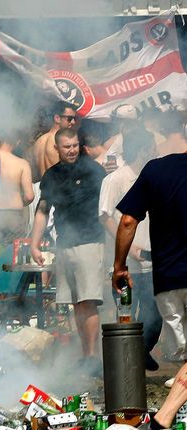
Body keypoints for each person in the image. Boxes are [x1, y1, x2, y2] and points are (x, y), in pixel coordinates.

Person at [31, 128, 106, 373]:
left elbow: (108, 206)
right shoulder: (51, 176)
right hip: (64, 244)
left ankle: (93, 356)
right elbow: (42, 210)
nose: (72, 150)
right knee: (76, 302)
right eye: (67, 146)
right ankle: (85, 354)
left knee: (89, 300)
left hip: (90, 242)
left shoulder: (94, 170)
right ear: (57, 148)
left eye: (75, 145)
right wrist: (34, 244)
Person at [113, 141, 187, 369]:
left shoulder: (156, 169)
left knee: (182, 354)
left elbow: (127, 221)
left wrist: (119, 266)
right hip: (170, 274)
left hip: (169, 278)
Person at [99, 125, 162, 371]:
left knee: (155, 316)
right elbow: (106, 217)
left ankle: (139, 352)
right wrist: (129, 247)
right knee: (126, 314)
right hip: (124, 265)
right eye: (153, 148)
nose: (157, 151)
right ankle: (126, 364)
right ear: (144, 150)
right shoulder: (115, 179)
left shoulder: (154, 177)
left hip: (153, 260)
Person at [33, 101, 78, 179]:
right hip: (59, 188)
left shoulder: (39, 141)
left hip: (44, 188)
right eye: (69, 119)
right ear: (57, 118)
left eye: (74, 118)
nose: (73, 122)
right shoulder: (60, 141)